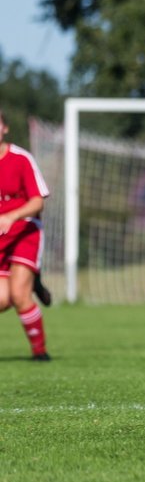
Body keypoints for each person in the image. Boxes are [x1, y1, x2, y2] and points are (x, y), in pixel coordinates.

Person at [0, 109, 53, 361]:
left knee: (20, 295)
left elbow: (37, 202)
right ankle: (35, 280)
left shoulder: (21, 159)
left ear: (5, 128)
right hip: (1, 239)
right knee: (3, 299)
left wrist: (11, 216)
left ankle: (40, 353)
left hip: (25, 231)